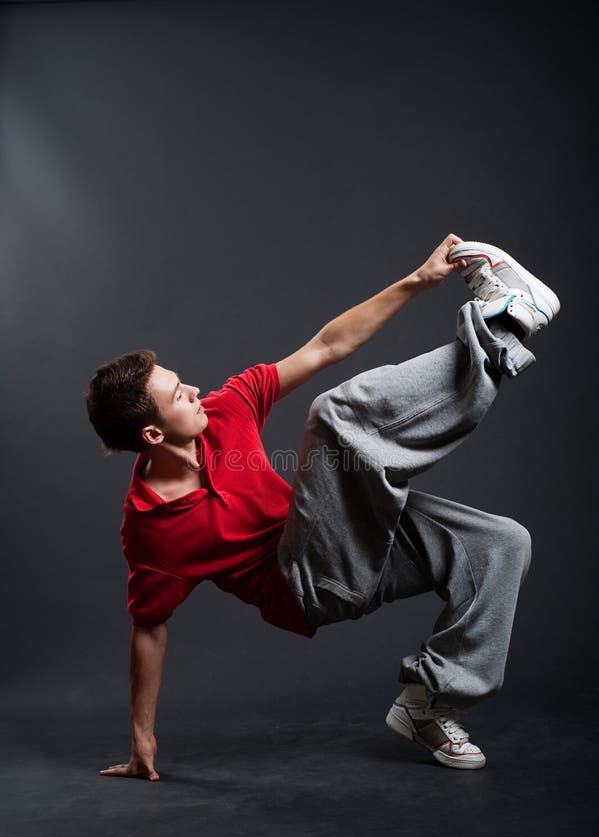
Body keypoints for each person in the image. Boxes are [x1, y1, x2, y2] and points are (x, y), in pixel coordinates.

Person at [85, 234, 560, 779]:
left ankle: (429, 702)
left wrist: (416, 282)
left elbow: (326, 346)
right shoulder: (150, 529)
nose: (194, 389)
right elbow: (149, 628)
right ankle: (501, 330)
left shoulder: (224, 410)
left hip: (347, 544)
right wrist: (141, 738)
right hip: (307, 584)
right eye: (178, 395)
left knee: (500, 545)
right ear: (151, 433)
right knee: (335, 419)